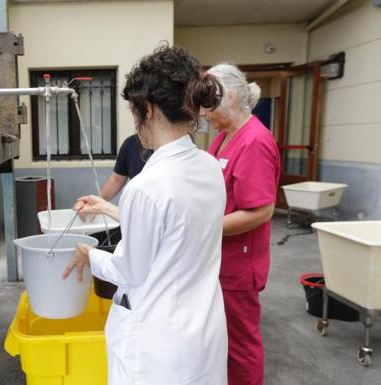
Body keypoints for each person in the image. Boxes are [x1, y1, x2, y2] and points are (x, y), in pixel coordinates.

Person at [63, 45, 228, 385]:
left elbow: (129, 271)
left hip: (156, 345)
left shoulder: (147, 186)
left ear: (147, 110)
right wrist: (107, 206)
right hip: (203, 331)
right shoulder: (210, 168)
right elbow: (174, 231)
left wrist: (89, 254)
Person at [201, 63, 281, 385]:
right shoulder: (223, 137)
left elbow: (261, 211)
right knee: (222, 339)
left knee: (240, 344)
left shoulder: (254, 141)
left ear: (231, 97)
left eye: (209, 105)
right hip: (220, 258)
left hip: (239, 263)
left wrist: (202, 227)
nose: (203, 114)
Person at [99, 134, 153, 200]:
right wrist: (97, 201)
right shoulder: (131, 143)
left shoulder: (166, 148)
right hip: (138, 204)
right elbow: (117, 179)